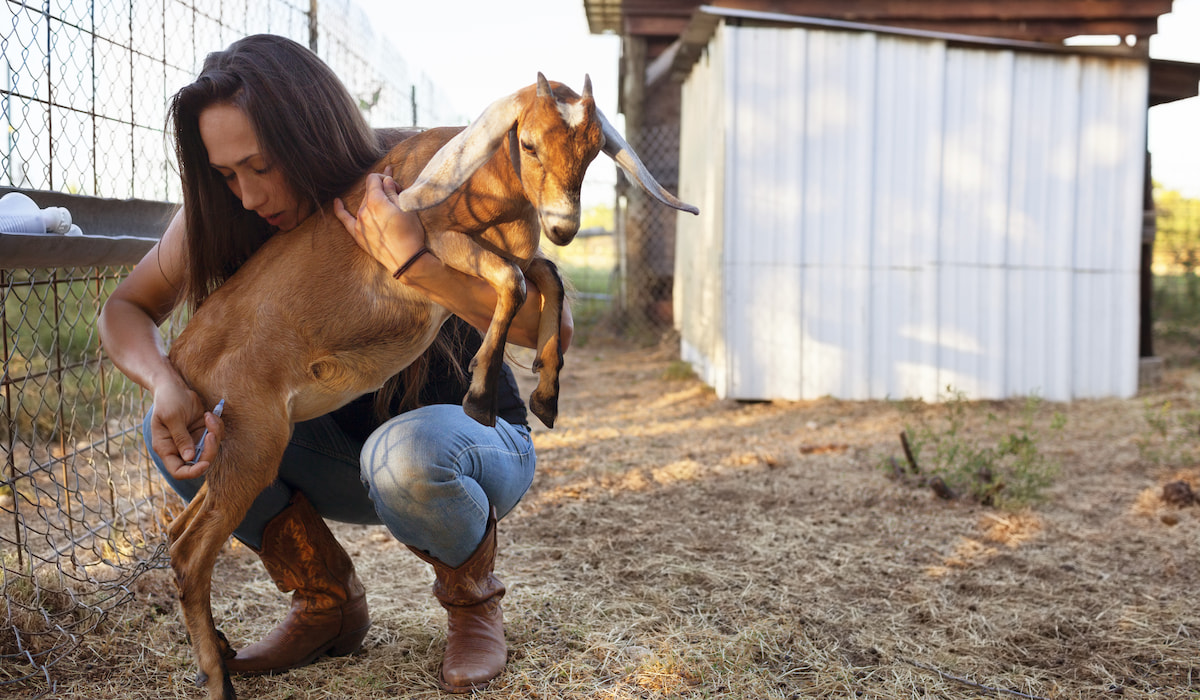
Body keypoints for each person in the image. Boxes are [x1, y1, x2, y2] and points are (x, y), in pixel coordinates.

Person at [97, 33, 570, 693]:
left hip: (466, 447)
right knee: (180, 424)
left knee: (403, 455)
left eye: (260, 165)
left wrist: (415, 261)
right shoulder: (225, 216)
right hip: (339, 461)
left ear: (309, 133)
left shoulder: (420, 172)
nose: (247, 194)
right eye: (226, 173)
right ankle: (327, 604)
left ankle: (472, 603)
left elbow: (538, 331)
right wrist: (163, 384)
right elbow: (126, 308)